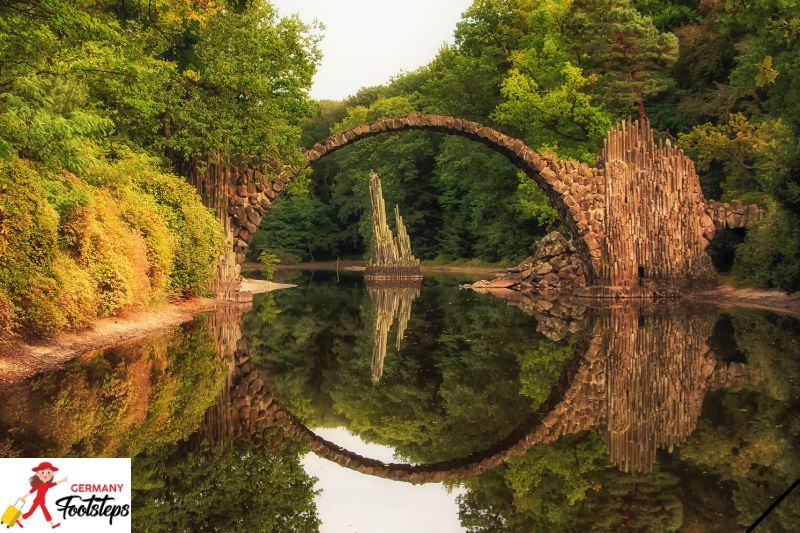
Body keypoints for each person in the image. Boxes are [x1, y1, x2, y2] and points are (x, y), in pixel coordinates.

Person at [15, 461, 67, 529]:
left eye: (49, 472)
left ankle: (52, 524)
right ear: (37, 474)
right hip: (38, 501)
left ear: (52, 474)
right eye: (42, 472)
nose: (45, 475)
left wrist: (63, 480)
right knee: (33, 512)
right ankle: (52, 524)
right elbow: (31, 491)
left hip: (41, 501)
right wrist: (24, 497)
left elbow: (56, 483)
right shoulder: (38, 485)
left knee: (36, 512)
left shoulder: (47, 485)